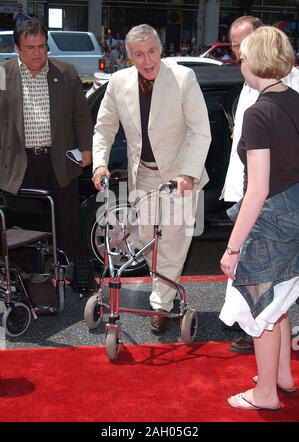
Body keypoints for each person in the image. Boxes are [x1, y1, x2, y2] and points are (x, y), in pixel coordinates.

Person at [92, 24, 211, 333]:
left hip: (180, 175)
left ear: (161, 49)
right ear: (129, 55)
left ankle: (162, 305)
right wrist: (99, 164)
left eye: (152, 52)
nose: (147, 61)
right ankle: (163, 292)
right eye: (139, 54)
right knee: (147, 239)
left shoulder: (183, 78)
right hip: (142, 173)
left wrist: (189, 172)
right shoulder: (118, 82)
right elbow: (104, 127)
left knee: (171, 241)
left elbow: (200, 130)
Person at [219, 25, 299, 411]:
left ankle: (266, 393)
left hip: (272, 221)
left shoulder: (258, 112)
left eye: (244, 56)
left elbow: (258, 189)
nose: (240, 62)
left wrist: (233, 248)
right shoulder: (297, 100)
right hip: (296, 214)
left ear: (258, 62)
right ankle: (282, 376)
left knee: (261, 307)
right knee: (280, 298)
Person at [0, 18, 93, 261]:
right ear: (18, 49)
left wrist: (85, 148)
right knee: (23, 230)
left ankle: (73, 276)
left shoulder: (66, 72)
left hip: (59, 162)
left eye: (41, 46)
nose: (37, 53)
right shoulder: (2, 74)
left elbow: (81, 116)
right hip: (19, 165)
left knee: (67, 224)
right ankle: (29, 285)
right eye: (30, 47)